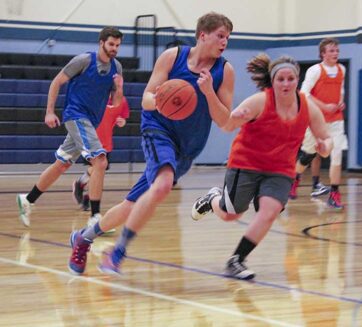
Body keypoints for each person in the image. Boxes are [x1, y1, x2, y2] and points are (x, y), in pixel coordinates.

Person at [67, 12, 235, 275]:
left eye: (228, 37)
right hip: (158, 130)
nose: (225, 42)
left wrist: (208, 92)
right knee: (163, 185)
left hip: (188, 147)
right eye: (221, 36)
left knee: (131, 205)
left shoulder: (224, 71)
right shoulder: (173, 57)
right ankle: (117, 253)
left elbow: (225, 122)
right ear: (203, 35)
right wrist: (162, 100)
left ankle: (83, 238)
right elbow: (146, 98)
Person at [191, 53, 333, 280]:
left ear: (297, 80)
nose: (286, 84)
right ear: (273, 80)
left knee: (269, 212)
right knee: (230, 215)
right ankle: (212, 199)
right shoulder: (259, 102)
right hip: (246, 163)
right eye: (280, 79)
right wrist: (209, 92)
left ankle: (236, 260)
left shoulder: (308, 107)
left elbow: (326, 138)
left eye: (290, 79)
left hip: (280, 170)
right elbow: (227, 125)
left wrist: (324, 147)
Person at [16, 26, 124, 227]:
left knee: (62, 164)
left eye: (117, 45)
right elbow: (57, 82)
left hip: (91, 121)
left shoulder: (116, 68)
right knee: (100, 163)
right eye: (111, 44)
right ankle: (95, 218)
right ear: (101, 43)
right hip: (76, 116)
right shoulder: (84, 61)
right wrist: (49, 111)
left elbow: (116, 103)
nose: (114, 49)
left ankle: (27, 199)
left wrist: (120, 88)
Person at [288, 38, 348, 209]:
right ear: (323, 53)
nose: (335, 53)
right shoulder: (315, 70)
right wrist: (324, 106)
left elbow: (341, 91)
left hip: (336, 120)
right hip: (315, 120)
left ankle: (334, 194)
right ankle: (294, 178)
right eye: (331, 51)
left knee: (337, 156)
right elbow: (304, 93)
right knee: (308, 155)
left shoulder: (341, 69)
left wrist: (341, 102)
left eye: (337, 50)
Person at [72, 95, 130, 217]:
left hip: (106, 142)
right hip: (91, 140)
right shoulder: (94, 97)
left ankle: (81, 184)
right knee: (98, 170)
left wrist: (121, 122)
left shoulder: (122, 100)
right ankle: (89, 198)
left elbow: (123, 118)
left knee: (98, 170)